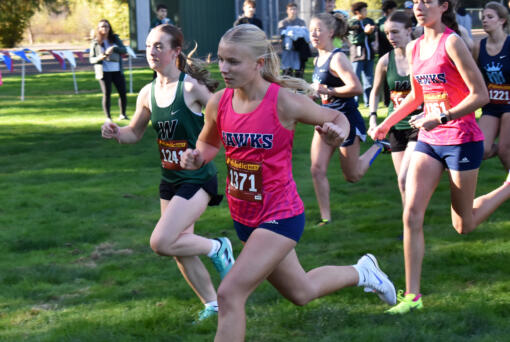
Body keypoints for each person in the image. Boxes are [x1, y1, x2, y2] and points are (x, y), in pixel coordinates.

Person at [180, 24, 396, 341]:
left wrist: (338, 132)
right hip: (244, 216)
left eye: (233, 62)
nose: (224, 68)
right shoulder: (219, 102)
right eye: (222, 60)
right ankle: (363, 272)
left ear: (259, 63)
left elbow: (338, 118)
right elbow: (208, 144)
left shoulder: (283, 102)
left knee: (230, 294)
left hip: (280, 215)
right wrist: (196, 157)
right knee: (301, 291)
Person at [370, 0, 510, 314]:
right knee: (411, 214)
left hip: (461, 139)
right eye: (415, 1)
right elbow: (417, 96)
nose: (419, 6)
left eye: (426, 1)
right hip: (429, 140)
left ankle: (507, 188)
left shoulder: (453, 43)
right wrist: (387, 122)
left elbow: (481, 95)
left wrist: (443, 117)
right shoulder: (416, 46)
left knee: (464, 225)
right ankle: (413, 297)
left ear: (443, 6)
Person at [101, 24, 235, 322]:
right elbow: (133, 134)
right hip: (170, 180)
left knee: (161, 241)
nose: (152, 51)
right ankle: (213, 305)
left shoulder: (190, 88)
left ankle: (218, 247)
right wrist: (115, 131)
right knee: (178, 246)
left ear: (176, 52)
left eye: (159, 46)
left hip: (198, 179)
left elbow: (224, 124)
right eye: (149, 45)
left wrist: (201, 151)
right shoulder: (147, 93)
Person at [310, 12, 390, 226]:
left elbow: (355, 87)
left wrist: (329, 89)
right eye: (312, 30)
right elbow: (321, 91)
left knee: (352, 175)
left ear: (331, 32)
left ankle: (379, 146)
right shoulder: (318, 58)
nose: (314, 34)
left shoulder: (337, 58)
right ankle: (326, 218)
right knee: (317, 170)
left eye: (318, 30)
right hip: (325, 120)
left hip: (345, 121)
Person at [369, 11, 421, 205]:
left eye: (396, 32)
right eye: (388, 33)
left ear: (409, 30)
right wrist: (373, 118)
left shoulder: (421, 57)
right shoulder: (384, 61)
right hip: (396, 127)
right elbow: (374, 92)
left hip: (419, 125)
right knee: (403, 183)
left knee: (406, 177)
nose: (391, 37)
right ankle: (409, 226)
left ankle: (414, 223)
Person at [472, 2, 510, 170]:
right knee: (482, 151)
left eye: (490, 17)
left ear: (502, 20)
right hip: (491, 105)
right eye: (483, 17)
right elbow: (472, 77)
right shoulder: (478, 47)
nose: (484, 21)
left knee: (504, 151)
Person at [89, 19, 128, 121]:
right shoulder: (95, 42)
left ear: (109, 28)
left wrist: (114, 48)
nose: (104, 28)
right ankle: (108, 117)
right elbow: (91, 59)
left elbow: (124, 50)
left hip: (117, 70)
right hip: (104, 71)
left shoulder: (115, 39)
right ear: (98, 29)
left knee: (122, 92)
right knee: (107, 93)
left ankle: (123, 114)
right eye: (102, 26)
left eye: (106, 26)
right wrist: (100, 58)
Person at [348, 1, 377, 107]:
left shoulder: (368, 21)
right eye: (364, 10)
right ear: (357, 12)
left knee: (369, 80)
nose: (366, 12)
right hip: (357, 56)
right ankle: (354, 102)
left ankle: (368, 102)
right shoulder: (351, 23)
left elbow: (372, 38)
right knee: (355, 79)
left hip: (369, 55)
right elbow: (354, 40)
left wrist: (371, 33)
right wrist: (365, 32)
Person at [278, 2, 310, 78]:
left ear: (297, 10)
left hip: (299, 50)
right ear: (287, 11)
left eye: (294, 9)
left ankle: (299, 88)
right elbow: (282, 36)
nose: (292, 11)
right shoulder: (283, 23)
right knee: (287, 72)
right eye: (290, 9)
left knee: (299, 72)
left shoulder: (301, 22)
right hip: (288, 50)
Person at [376, 0, 398, 107]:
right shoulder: (382, 21)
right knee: (385, 79)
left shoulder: (391, 21)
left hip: (393, 53)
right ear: (389, 10)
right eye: (394, 9)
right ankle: (387, 101)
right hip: (385, 53)